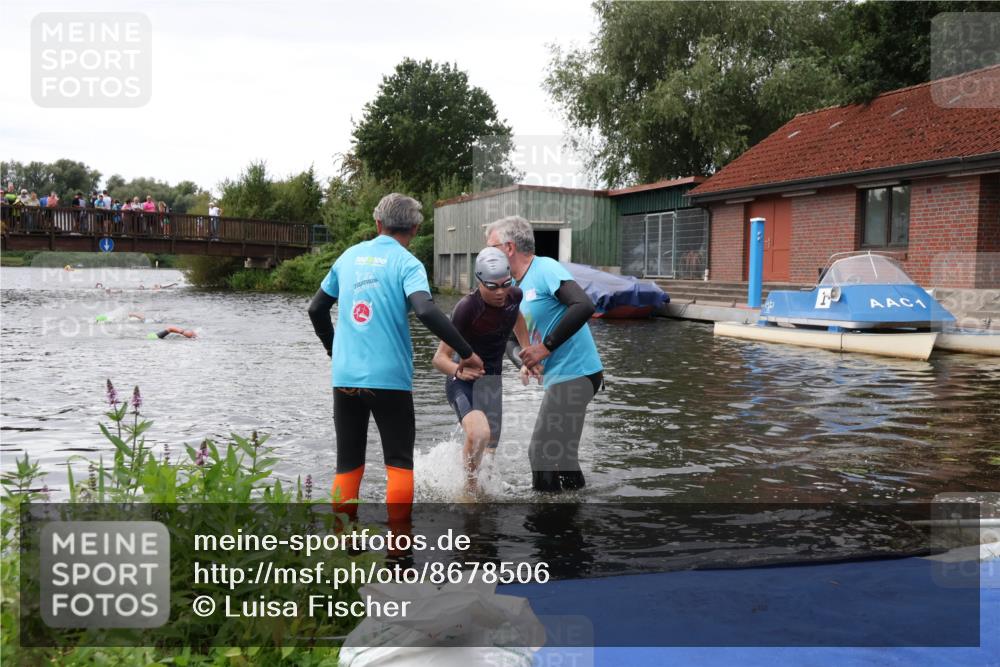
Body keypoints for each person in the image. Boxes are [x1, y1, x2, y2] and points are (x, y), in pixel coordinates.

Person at [308, 193, 483, 527]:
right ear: (415, 229)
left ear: (378, 224)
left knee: (348, 464)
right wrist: (467, 353)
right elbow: (426, 309)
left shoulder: (348, 257)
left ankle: (343, 547)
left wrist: (334, 350)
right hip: (389, 380)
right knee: (399, 463)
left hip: (345, 377)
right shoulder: (407, 264)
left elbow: (316, 308)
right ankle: (398, 550)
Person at [485, 215, 604, 493]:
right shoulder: (511, 287)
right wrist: (524, 360)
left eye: (491, 247)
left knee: (540, 453)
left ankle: (545, 523)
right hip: (562, 377)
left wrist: (545, 347)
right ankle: (574, 515)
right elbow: (507, 340)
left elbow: (583, 305)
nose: (486, 254)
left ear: (509, 248)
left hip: (578, 373)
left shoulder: (545, 268)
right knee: (563, 458)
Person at [431, 247, 537, 496]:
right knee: (479, 434)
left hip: (492, 382)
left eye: (505, 284)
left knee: (489, 452)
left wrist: (526, 354)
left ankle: (481, 493)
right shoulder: (466, 309)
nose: (500, 292)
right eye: (492, 286)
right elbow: (439, 359)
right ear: (479, 281)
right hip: (464, 380)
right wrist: (458, 371)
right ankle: (468, 491)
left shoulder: (514, 296)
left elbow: (517, 318)